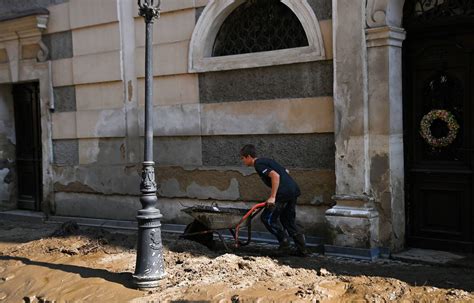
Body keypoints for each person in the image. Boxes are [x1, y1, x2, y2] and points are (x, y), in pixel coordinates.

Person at [240, 144, 308, 256]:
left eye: (242, 158)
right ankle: (302, 249)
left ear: (248, 156)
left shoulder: (258, 164)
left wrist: (272, 197)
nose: (242, 161)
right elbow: (285, 171)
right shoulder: (266, 160)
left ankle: (284, 243)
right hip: (293, 191)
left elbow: (275, 176)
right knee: (287, 219)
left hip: (283, 193)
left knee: (267, 219)